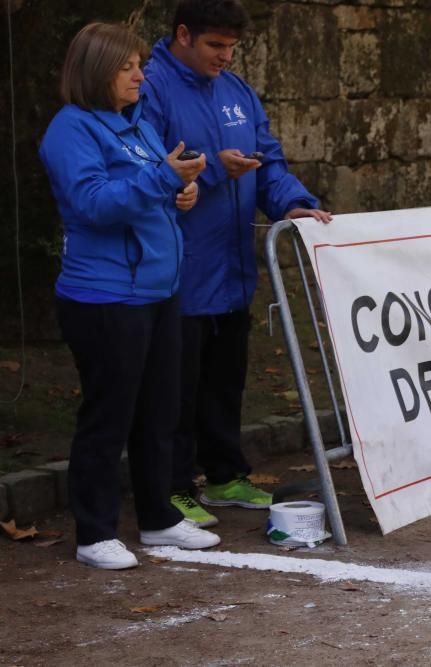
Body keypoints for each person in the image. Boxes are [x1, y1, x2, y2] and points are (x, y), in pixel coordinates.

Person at [141, 0, 331, 527]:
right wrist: (214, 175)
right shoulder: (150, 88)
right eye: (214, 46)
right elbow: (144, 175)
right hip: (175, 267)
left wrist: (293, 202)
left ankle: (224, 475)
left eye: (232, 47)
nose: (225, 56)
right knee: (175, 384)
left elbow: (267, 161)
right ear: (183, 34)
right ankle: (174, 487)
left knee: (225, 378)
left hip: (232, 268)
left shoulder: (237, 91)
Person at [39, 22, 222, 569]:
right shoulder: (70, 131)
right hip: (104, 297)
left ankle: (158, 518)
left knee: (159, 410)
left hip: (158, 291)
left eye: (140, 63)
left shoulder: (134, 123)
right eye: (128, 66)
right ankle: (93, 532)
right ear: (98, 70)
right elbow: (93, 204)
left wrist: (180, 192)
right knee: (109, 414)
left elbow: (146, 192)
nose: (141, 74)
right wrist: (164, 181)